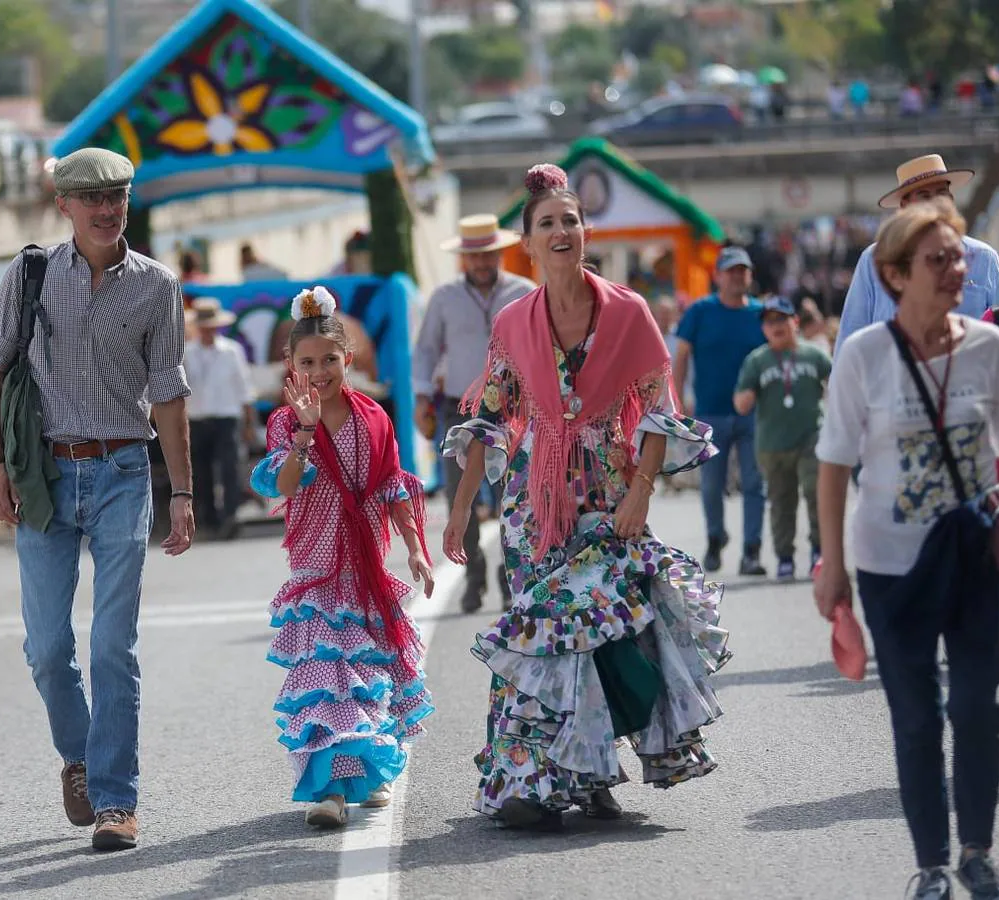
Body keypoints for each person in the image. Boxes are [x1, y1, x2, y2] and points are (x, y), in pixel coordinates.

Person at [443, 165, 727, 830]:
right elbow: (488, 420)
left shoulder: (629, 313)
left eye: (570, 220)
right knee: (545, 638)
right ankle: (534, 781)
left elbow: (660, 413)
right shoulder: (514, 323)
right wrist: (458, 513)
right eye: (547, 224)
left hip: (607, 502)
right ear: (530, 243)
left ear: (585, 230)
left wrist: (642, 493)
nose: (562, 230)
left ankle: (588, 775)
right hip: (532, 509)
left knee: (600, 634)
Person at [0, 147, 195, 853]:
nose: (106, 211)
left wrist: (183, 492)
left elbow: (168, 394)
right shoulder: (31, 273)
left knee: (110, 646)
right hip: (43, 475)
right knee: (46, 649)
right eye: (90, 199)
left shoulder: (157, 287)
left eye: (118, 198)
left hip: (122, 472)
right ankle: (80, 757)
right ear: (64, 205)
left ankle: (116, 800)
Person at [814, 198, 999, 900]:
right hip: (890, 563)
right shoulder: (863, 357)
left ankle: (979, 852)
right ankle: (931, 865)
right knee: (919, 715)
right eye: (940, 260)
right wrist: (833, 564)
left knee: (979, 707)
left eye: (960, 256)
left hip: (975, 552)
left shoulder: (990, 347)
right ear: (895, 275)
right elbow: (833, 465)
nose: (959, 269)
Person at [250, 286, 435, 829]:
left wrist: (417, 551)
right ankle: (328, 790)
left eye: (329, 359)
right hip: (314, 572)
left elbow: (391, 490)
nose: (320, 370)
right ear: (291, 365)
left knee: (363, 677)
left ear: (347, 359)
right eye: (307, 362)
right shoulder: (286, 423)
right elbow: (283, 485)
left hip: (365, 571)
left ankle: (369, 773)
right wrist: (305, 431)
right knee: (325, 679)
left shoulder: (374, 418)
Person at [412, 214, 536, 612]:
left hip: (514, 410)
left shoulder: (525, 292)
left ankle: (508, 577)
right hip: (458, 411)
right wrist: (420, 398)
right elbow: (427, 349)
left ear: (499, 253)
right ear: (464, 258)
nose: (482, 263)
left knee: (511, 497)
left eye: (488, 254)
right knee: (456, 495)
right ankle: (473, 574)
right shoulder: (444, 298)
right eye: (474, 256)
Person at [834, 154, 999, 359]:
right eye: (924, 195)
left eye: (942, 192)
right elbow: (851, 334)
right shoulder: (875, 259)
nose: (937, 202)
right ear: (904, 207)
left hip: (969, 380)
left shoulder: (984, 257)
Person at [673, 247, 768, 575]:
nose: (737, 276)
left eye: (743, 271)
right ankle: (715, 538)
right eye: (731, 271)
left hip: (753, 414)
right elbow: (682, 355)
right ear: (718, 276)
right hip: (709, 412)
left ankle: (751, 551)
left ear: (750, 276)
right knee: (712, 485)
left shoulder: (761, 313)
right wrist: (678, 397)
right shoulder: (700, 311)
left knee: (755, 483)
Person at [733, 297, 832, 580]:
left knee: (816, 492)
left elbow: (838, 380)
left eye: (781, 319)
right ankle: (785, 556)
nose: (776, 326)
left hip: (811, 437)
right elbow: (740, 401)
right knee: (781, 501)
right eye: (769, 322)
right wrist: (746, 397)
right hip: (773, 445)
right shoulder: (757, 360)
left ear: (795, 322)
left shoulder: (814, 355)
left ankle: (819, 551)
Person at [183, 298, 255, 540]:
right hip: (198, 418)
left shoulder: (232, 350)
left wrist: (248, 422)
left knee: (230, 469)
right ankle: (209, 518)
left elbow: (244, 388)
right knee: (201, 472)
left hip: (226, 416)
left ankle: (230, 516)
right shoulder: (186, 353)